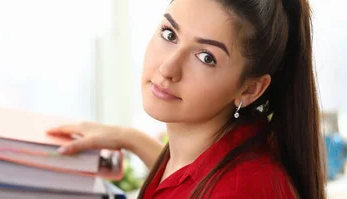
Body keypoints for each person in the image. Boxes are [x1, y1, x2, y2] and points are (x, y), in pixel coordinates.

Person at [47, 0, 326, 198]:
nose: (168, 68)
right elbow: (191, 182)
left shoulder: (244, 188)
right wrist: (127, 138)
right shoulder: (211, 152)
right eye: (169, 34)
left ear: (250, 89)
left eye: (206, 57)